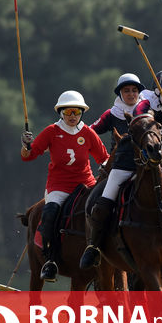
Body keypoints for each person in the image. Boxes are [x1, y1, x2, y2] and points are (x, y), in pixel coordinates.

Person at [79, 69, 162, 270]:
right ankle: (93, 247)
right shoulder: (144, 101)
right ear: (158, 91)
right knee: (102, 201)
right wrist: (161, 114)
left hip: (156, 164)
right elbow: (139, 118)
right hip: (126, 161)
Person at [21, 90, 109, 282]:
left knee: (104, 210)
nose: (72, 116)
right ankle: (50, 261)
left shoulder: (87, 133)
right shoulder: (51, 131)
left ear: (81, 114)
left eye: (76, 112)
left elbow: (104, 158)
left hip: (86, 184)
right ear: (61, 112)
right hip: (59, 186)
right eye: (68, 112)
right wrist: (26, 145)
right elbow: (30, 155)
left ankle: (102, 254)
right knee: (50, 213)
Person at [90, 73, 144, 151]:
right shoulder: (111, 114)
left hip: (143, 160)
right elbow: (90, 131)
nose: (131, 94)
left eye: (134, 90)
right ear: (120, 93)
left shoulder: (147, 111)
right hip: (118, 159)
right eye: (126, 91)